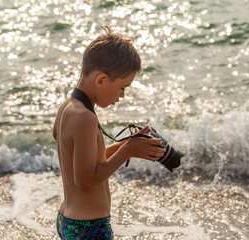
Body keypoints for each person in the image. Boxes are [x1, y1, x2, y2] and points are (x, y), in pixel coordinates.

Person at [53, 26, 166, 239]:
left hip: (69, 219)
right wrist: (127, 152)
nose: (122, 95)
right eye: (123, 87)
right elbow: (85, 180)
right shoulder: (86, 118)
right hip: (88, 228)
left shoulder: (68, 108)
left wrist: (127, 144)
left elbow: (85, 160)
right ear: (101, 80)